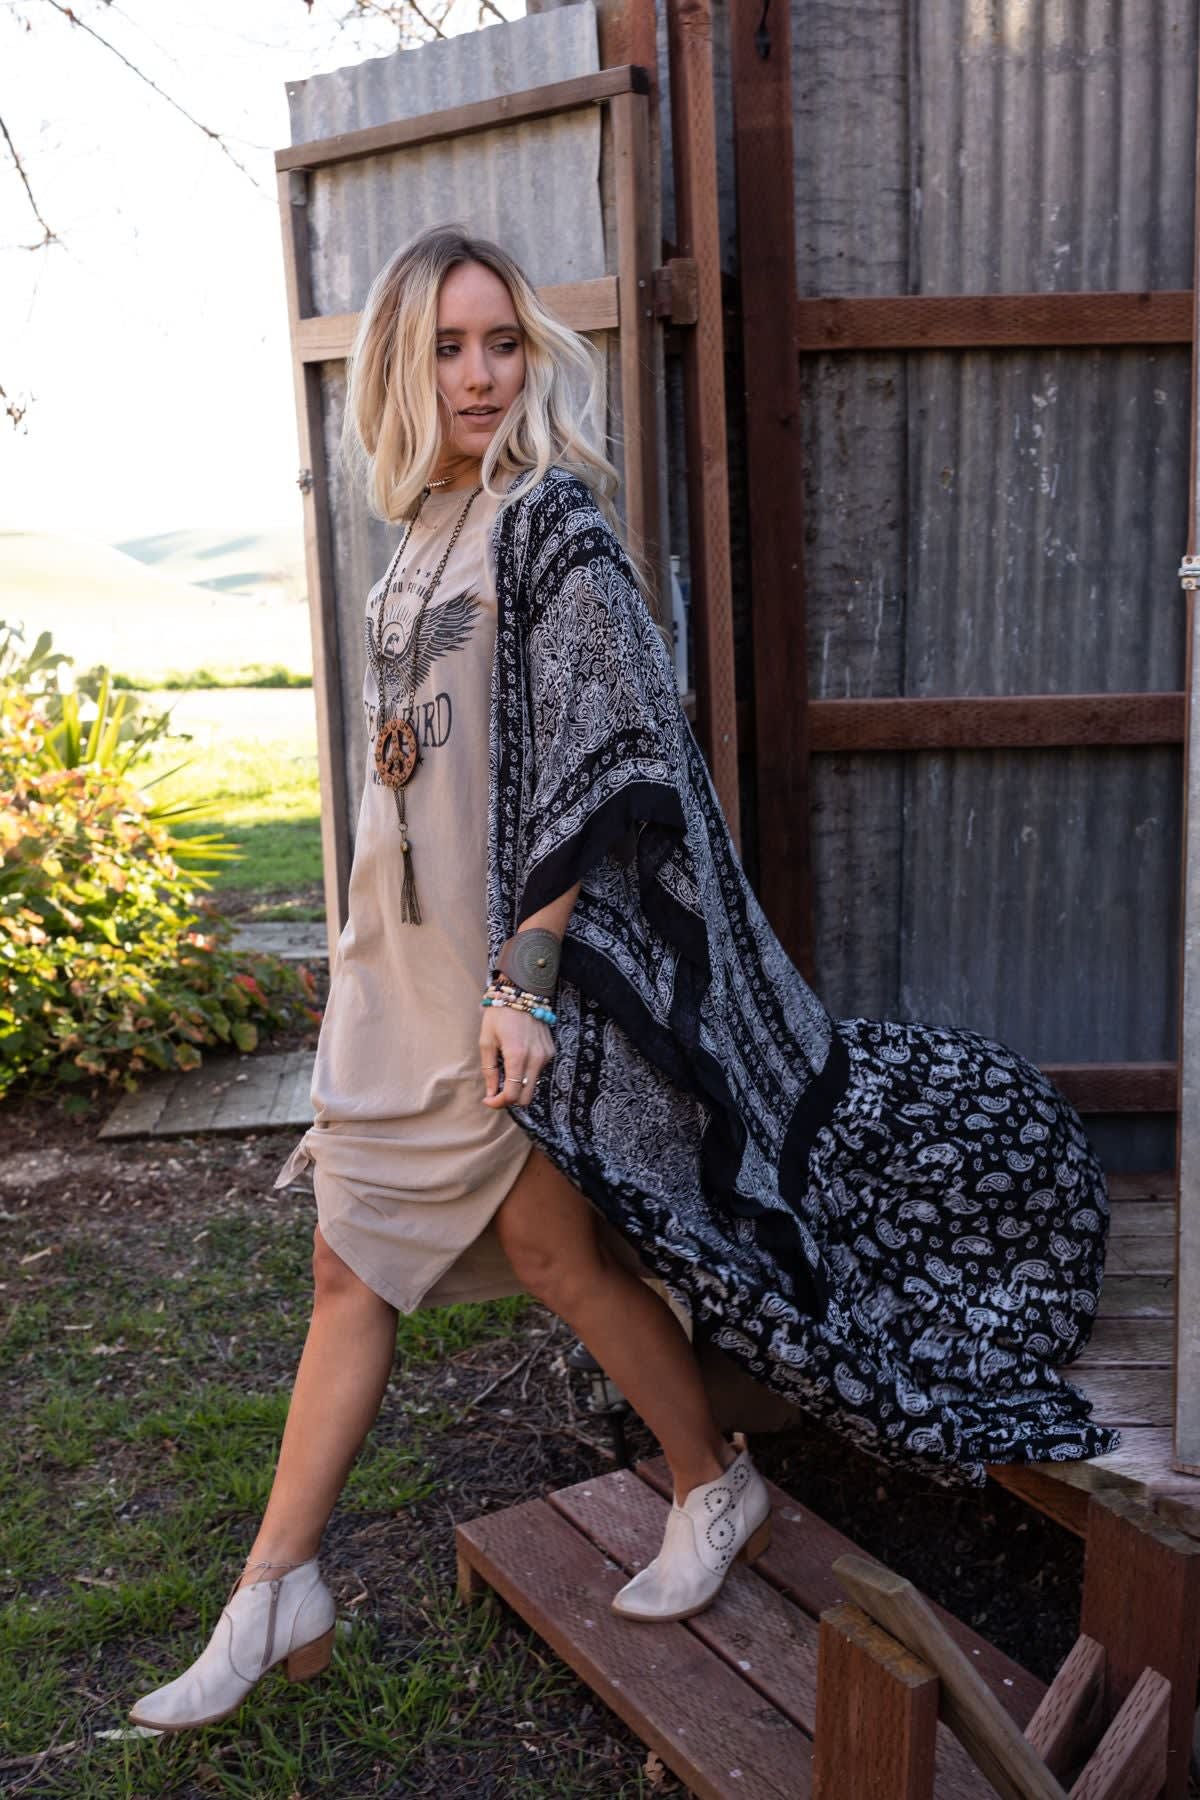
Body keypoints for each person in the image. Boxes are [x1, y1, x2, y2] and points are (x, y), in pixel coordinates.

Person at [129, 225, 1117, 1732]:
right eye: (446, 348)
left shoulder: (553, 527)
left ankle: (649, 1497)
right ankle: (313, 1579)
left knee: (515, 1257)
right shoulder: (421, 529)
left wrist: (526, 982)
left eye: (500, 342)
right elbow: (405, 788)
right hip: (399, 980)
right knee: (426, 1261)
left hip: (501, 995)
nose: (479, 375)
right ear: (399, 366)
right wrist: (363, 969)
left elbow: (606, 764)